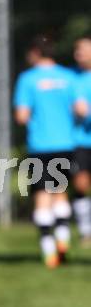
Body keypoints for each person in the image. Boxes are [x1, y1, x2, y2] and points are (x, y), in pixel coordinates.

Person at [14, 35, 76, 268]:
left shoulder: (28, 79)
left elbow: (22, 116)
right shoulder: (68, 77)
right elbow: (79, 109)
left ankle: (49, 249)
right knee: (59, 191)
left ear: (34, 53)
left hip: (40, 145)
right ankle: (64, 240)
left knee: (42, 196)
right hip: (65, 143)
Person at [73, 35, 91, 246]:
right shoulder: (70, 77)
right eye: (77, 50)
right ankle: (86, 231)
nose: (79, 54)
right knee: (81, 184)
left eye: (84, 50)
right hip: (79, 141)